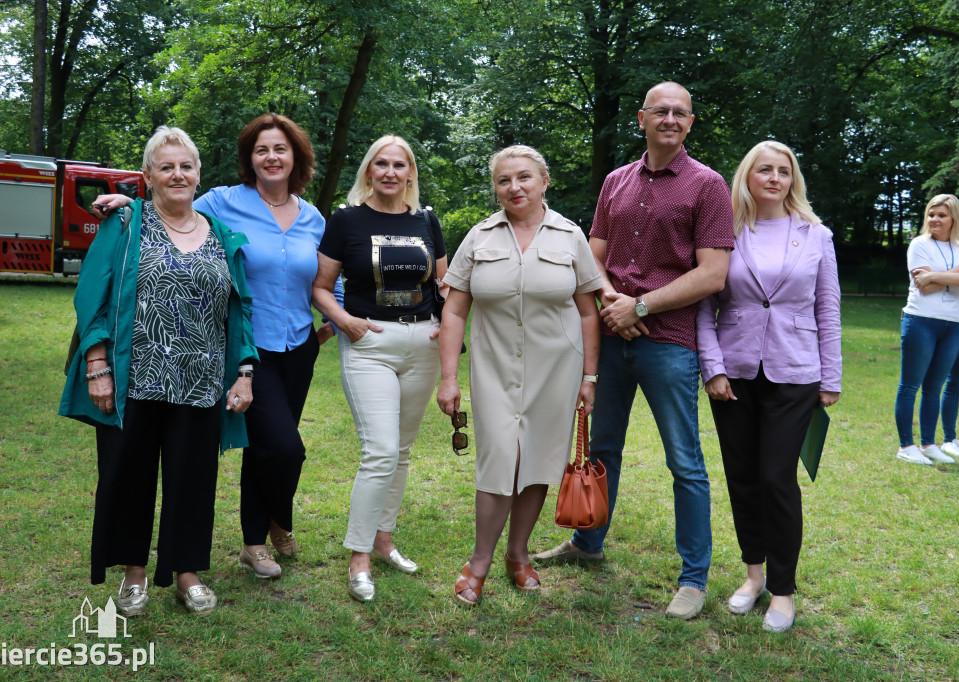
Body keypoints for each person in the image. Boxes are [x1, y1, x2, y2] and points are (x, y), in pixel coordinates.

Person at [93, 113, 343, 580]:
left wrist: (332, 318)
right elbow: (170, 204)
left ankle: (257, 539)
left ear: (296, 158)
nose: (272, 157)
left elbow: (329, 274)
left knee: (266, 449)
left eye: (281, 149)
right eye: (262, 149)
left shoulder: (312, 216)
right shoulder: (224, 203)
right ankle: (274, 527)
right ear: (250, 158)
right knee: (284, 448)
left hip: (298, 347)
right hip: (246, 349)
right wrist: (126, 201)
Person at [532, 81, 734, 621]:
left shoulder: (708, 186)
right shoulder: (616, 181)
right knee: (601, 452)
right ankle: (587, 544)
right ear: (642, 118)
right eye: (660, 111)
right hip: (611, 334)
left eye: (680, 113)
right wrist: (611, 302)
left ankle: (693, 578)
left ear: (690, 122)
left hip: (668, 343)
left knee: (685, 462)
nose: (669, 119)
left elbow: (713, 274)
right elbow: (591, 255)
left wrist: (639, 308)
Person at [59, 126, 258, 615]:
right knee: (128, 477)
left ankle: (187, 572)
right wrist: (97, 363)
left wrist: (244, 372)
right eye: (165, 167)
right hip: (136, 380)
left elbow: (241, 311)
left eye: (185, 166)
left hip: (201, 383)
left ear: (198, 174)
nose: (177, 174)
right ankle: (133, 574)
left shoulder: (222, 236)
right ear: (147, 177)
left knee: (193, 481)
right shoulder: (125, 226)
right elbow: (93, 297)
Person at [436, 145, 601, 606]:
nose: (515, 187)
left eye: (524, 177)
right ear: (496, 188)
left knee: (538, 462)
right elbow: (454, 310)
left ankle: (518, 554)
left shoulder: (570, 237)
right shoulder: (480, 236)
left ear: (544, 181)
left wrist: (589, 377)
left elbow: (588, 312)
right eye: (504, 180)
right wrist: (449, 378)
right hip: (494, 369)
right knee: (498, 463)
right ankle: (479, 562)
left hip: (556, 370)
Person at [696, 141, 842, 633]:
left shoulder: (816, 235)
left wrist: (832, 376)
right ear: (747, 177)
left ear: (793, 179)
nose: (775, 178)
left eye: (784, 170)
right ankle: (753, 575)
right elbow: (703, 304)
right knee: (741, 476)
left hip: (795, 371)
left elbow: (828, 308)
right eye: (765, 169)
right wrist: (712, 367)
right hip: (734, 372)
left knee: (777, 479)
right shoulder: (725, 232)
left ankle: (783, 591)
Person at [312, 135, 447, 602]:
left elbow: (446, 283)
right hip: (370, 343)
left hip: (422, 343)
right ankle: (359, 556)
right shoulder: (345, 220)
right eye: (381, 164)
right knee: (381, 450)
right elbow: (322, 286)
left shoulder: (426, 220)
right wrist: (345, 322)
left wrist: (446, 321)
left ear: (410, 172)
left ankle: (384, 540)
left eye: (399, 164)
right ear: (368, 171)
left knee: (403, 450)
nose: (390, 172)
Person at [893, 194, 959, 465]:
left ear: (953, 218)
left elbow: (932, 280)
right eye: (931, 214)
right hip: (921, 321)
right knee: (910, 385)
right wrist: (954, 276)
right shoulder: (919, 245)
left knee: (933, 387)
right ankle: (905, 445)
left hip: (954, 324)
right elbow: (923, 285)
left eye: (941, 215)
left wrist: (935, 275)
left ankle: (929, 444)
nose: (934, 219)